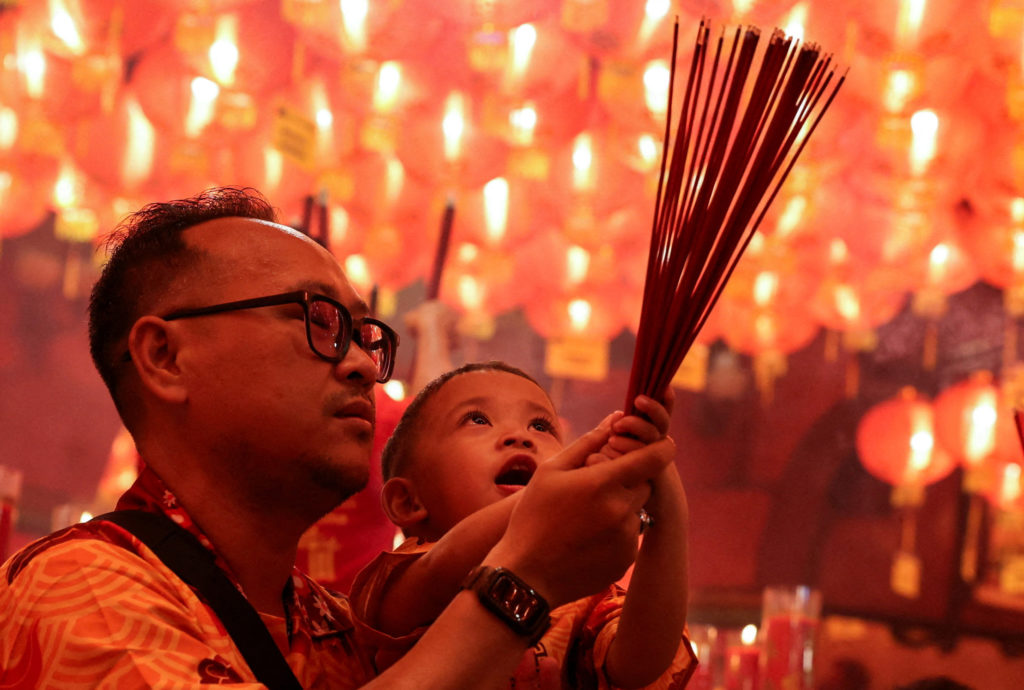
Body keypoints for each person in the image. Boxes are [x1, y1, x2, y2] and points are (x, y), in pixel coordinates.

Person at [0, 187, 677, 688]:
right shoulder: (81, 588)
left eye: (365, 336)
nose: (359, 363)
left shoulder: (335, 627)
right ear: (165, 358)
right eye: (318, 321)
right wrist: (522, 582)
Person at [350, 361, 695, 689]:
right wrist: (561, 495)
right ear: (408, 502)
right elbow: (440, 568)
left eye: (541, 426)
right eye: (478, 419)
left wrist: (665, 499)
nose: (520, 436)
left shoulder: (579, 597)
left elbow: (639, 665)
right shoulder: (402, 574)